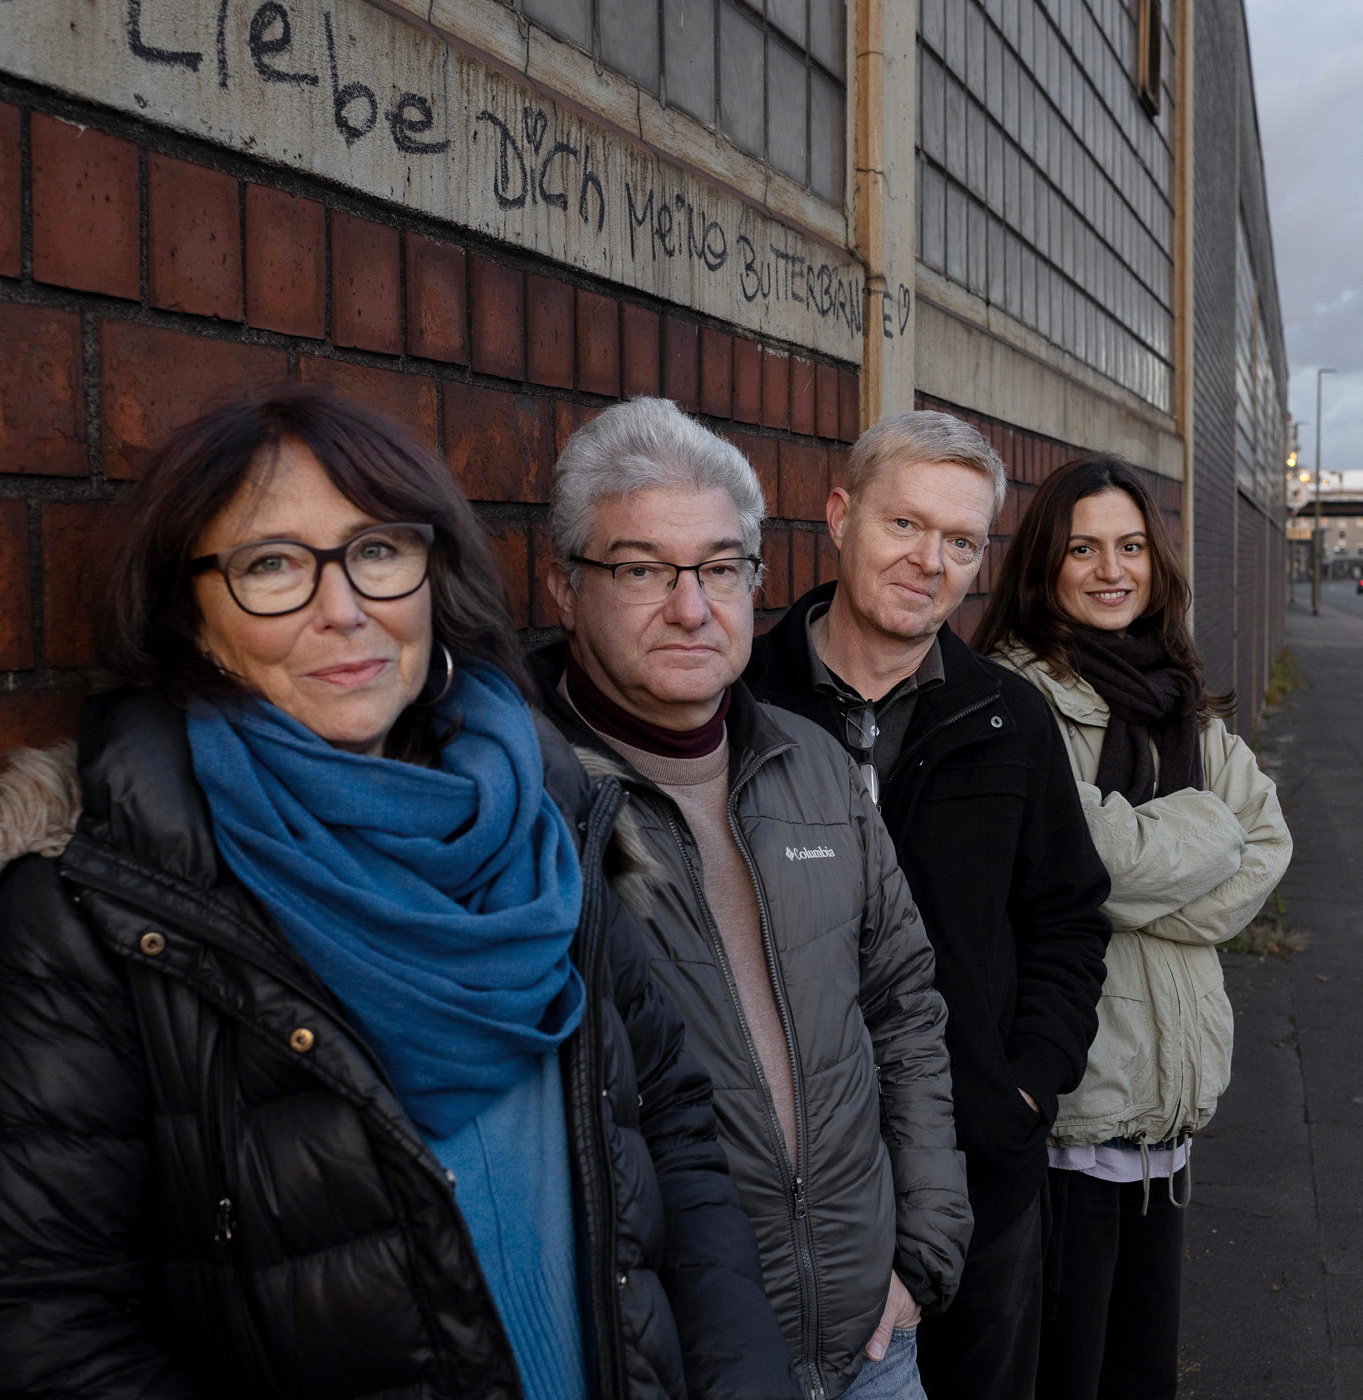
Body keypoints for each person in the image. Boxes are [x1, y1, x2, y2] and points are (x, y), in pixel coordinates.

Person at [0, 387, 799, 1400]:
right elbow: (45, 1319)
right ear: (193, 616)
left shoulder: (544, 812)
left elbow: (667, 1119)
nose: (343, 606)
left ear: (431, 571)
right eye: (270, 564)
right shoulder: (103, 898)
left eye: (377, 550)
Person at [532, 396, 972, 1400]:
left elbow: (902, 1003)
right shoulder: (529, 800)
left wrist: (925, 1237)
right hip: (679, 1356)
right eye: (642, 568)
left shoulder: (809, 762)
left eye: (720, 567)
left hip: (872, 1339)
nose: (691, 606)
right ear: (562, 585)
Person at [744, 411, 1112, 1400]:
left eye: (959, 540)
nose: (928, 561)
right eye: (903, 524)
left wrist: (1023, 1087)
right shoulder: (741, 704)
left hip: (979, 1172)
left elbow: (1067, 916)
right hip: (782, 1185)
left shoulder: (1006, 715)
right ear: (837, 515)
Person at [971, 456, 1292, 1400]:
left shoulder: (1174, 696)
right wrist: (1204, 836)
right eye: (1083, 548)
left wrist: (1133, 880)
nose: (1112, 570)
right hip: (1076, 1113)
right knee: (1066, 1377)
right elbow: (1078, 854)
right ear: (1044, 565)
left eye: (1131, 546)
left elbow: (1267, 844)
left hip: (1169, 1117)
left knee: (1144, 1378)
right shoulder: (1011, 699)